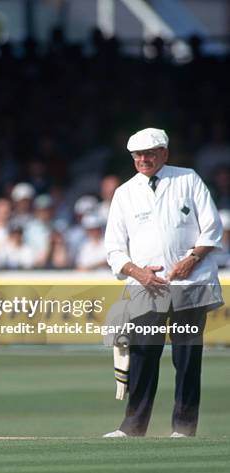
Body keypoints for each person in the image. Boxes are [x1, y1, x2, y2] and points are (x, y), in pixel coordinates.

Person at [104, 128, 224, 438]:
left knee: (186, 357)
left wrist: (192, 259)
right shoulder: (125, 192)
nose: (143, 160)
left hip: (191, 283)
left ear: (164, 154)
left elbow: (212, 228)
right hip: (146, 287)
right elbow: (114, 248)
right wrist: (137, 272)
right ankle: (133, 427)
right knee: (144, 354)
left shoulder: (187, 179)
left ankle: (184, 428)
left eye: (150, 154)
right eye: (137, 156)